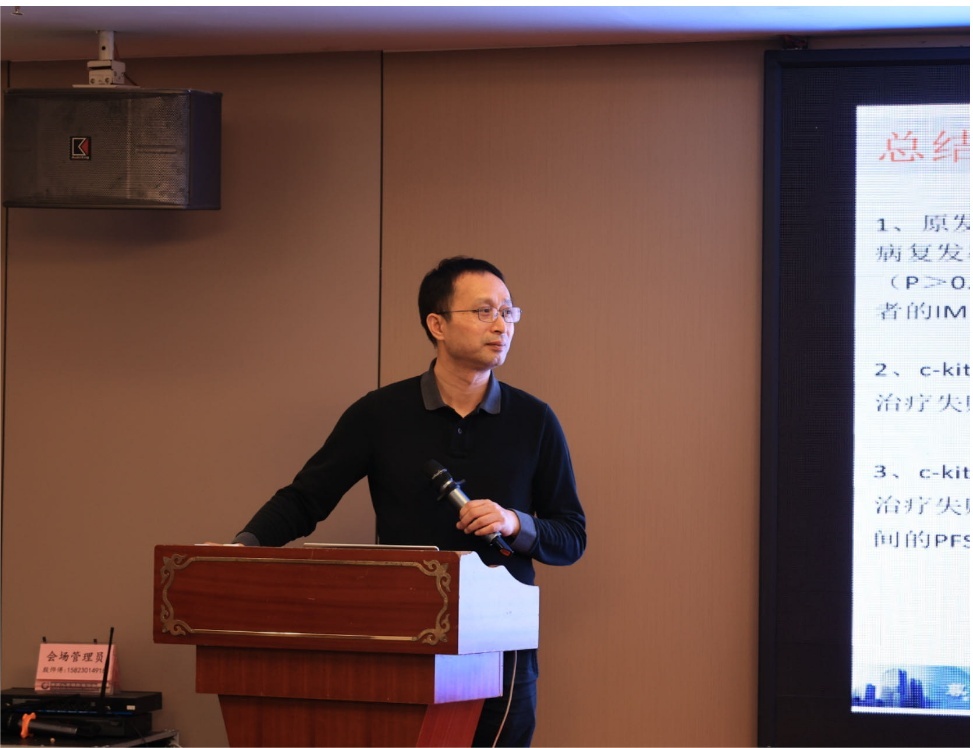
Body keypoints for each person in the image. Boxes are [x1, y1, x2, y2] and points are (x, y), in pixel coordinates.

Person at [230, 256, 587, 747]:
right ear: (437, 324)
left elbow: (571, 535)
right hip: (404, 632)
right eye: (484, 311)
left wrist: (513, 522)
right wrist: (240, 551)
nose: (501, 325)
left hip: (501, 639)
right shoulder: (380, 414)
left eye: (508, 312)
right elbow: (305, 498)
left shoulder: (534, 419)